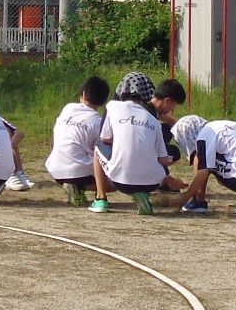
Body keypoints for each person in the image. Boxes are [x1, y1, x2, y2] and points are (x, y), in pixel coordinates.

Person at [90, 72, 172, 214]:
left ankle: (100, 198)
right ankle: (143, 194)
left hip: (119, 181)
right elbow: (163, 159)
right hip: (152, 183)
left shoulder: (113, 106)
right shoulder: (153, 119)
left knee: (99, 147)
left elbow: (105, 139)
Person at [169, 113, 236, 215]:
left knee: (203, 161)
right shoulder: (227, 124)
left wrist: (183, 199)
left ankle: (198, 201)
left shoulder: (204, 136)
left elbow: (203, 171)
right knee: (230, 158)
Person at [46, 76, 109, 207]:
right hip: (79, 172)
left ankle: (75, 187)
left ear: (84, 94)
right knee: (115, 181)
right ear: (103, 101)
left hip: (55, 169)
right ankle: (81, 187)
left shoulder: (68, 108)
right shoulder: (98, 121)